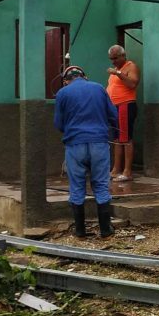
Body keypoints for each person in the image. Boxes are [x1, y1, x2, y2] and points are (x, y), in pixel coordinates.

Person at [54, 66, 117, 238]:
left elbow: (59, 124)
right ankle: (105, 229)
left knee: (77, 186)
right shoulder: (98, 88)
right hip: (99, 143)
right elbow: (113, 115)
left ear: (66, 80)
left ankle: (80, 230)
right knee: (101, 185)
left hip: (75, 144)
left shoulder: (63, 93)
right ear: (85, 77)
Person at [106, 44, 140, 181]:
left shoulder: (131, 66)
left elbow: (133, 83)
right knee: (117, 140)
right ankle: (115, 169)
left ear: (123, 55)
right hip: (114, 107)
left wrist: (118, 74)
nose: (113, 61)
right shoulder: (116, 69)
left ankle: (127, 172)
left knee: (125, 139)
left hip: (125, 105)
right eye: (111, 59)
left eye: (115, 58)